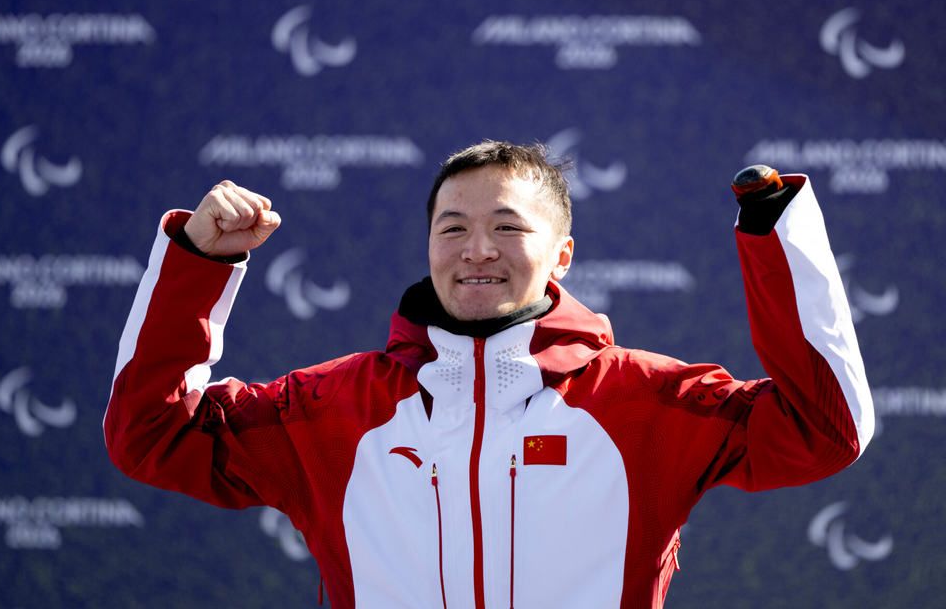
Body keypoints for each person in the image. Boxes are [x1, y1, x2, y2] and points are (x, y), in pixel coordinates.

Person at [105, 141, 874, 608]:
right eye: (454, 228)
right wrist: (199, 264)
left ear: (561, 256)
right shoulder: (333, 408)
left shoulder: (644, 401)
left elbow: (824, 431)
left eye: (508, 227)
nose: (478, 249)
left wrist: (776, 235)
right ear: (429, 247)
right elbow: (151, 434)